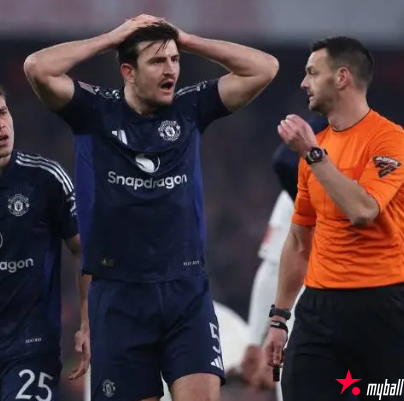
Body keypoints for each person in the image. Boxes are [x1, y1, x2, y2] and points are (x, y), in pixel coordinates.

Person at [24, 14, 279, 401]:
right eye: (158, 61)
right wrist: (111, 38)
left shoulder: (190, 107)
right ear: (128, 71)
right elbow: (37, 68)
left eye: (175, 60)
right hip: (119, 295)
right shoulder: (94, 111)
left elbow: (265, 68)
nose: (171, 69)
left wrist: (187, 39)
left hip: (185, 291)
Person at [264, 36, 404, 401]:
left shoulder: (389, 140)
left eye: (312, 72)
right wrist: (279, 317)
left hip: (381, 308)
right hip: (319, 309)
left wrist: (312, 154)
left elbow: (363, 211)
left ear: (341, 77)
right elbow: (299, 240)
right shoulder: (315, 148)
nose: (303, 83)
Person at [0, 86, 90, 401]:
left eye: (2, 113)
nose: (1, 126)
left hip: (30, 348)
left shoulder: (46, 179)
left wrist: (87, 322)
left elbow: (84, 249)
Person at [240, 117, 328, 397]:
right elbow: (272, 268)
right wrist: (257, 339)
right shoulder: (299, 185)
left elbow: (271, 270)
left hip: (314, 322)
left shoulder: (302, 181)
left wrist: (257, 339)